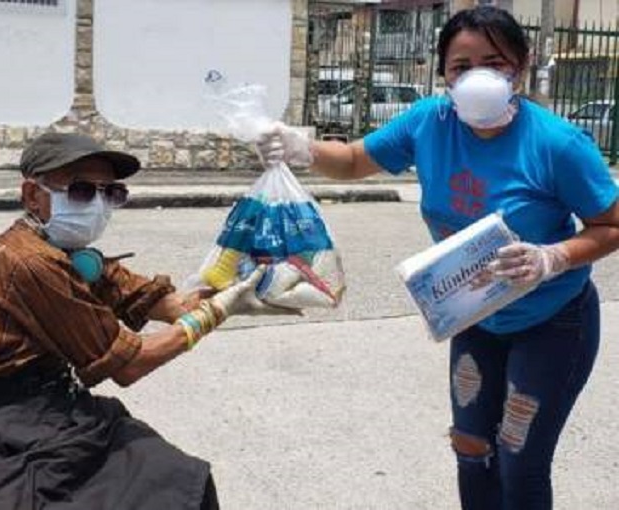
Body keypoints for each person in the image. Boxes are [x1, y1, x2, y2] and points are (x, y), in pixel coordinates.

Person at [257, 6, 619, 510]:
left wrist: (553, 257)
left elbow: (611, 225)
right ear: (443, 72)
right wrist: (302, 148)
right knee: (470, 448)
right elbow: (356, 160)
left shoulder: (558, 144)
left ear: (521, 65)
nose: (477, 78)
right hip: (474, 313)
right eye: (461, 66)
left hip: (552, 322)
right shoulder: (430, 121)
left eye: (494, 63)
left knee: (519, 458)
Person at [0, 132, 276, 510]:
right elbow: (129, 364)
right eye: (81, 190)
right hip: (1, 425)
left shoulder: (65, 250)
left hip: (51, 407)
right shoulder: (27, 262)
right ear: (32, 195)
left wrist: (232, 288)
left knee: (179, 475)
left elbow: (154, 300)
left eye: (111, 192)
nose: (97, 205)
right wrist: (215, 314)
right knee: (158, 487)